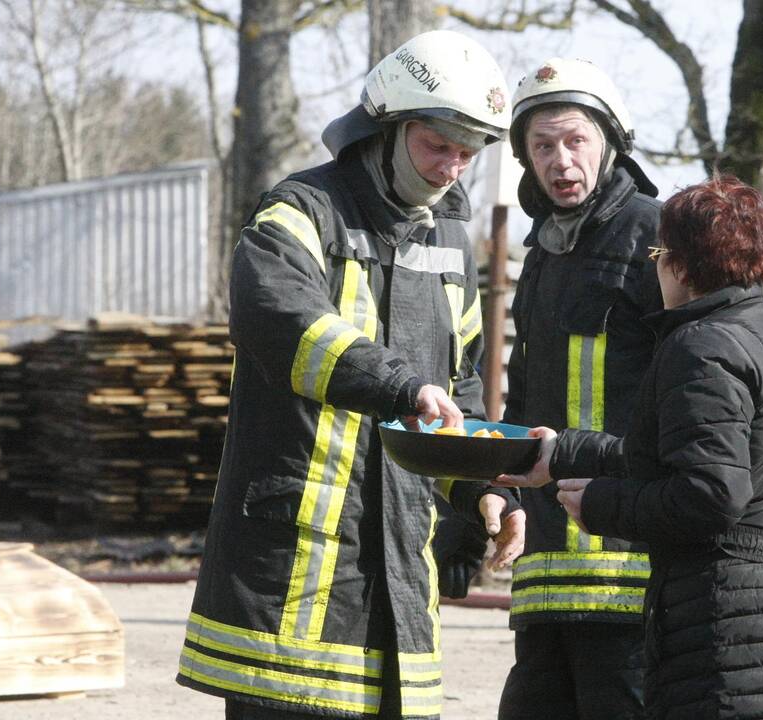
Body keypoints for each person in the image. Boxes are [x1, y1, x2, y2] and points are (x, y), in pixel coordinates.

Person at [176, 31, 525, 720]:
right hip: (294, 571)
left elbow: (454, 390)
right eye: (437, 144)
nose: (453, 165)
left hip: (397, 559)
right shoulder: (298, 213)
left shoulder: (449, 241)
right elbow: (282, 323)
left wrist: (483, 488)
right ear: (389, 125)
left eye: (468, 150)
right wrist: (399, 384)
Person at [499, 175, 763, 719]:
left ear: (681, 264)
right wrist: (563, 454)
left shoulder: (700, 346)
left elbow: (709, 494)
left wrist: (602, 506)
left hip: (735, 636)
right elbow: (695, 455)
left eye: (659, 253)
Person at [496, 58, 663, 720]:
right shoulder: (542, 251)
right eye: (542, 145)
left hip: (625, 565)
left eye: (575, 141)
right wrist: (492, 488)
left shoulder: (655, 234)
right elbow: (524, 391)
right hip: (544, 568)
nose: (560, 161)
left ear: (609, 142)